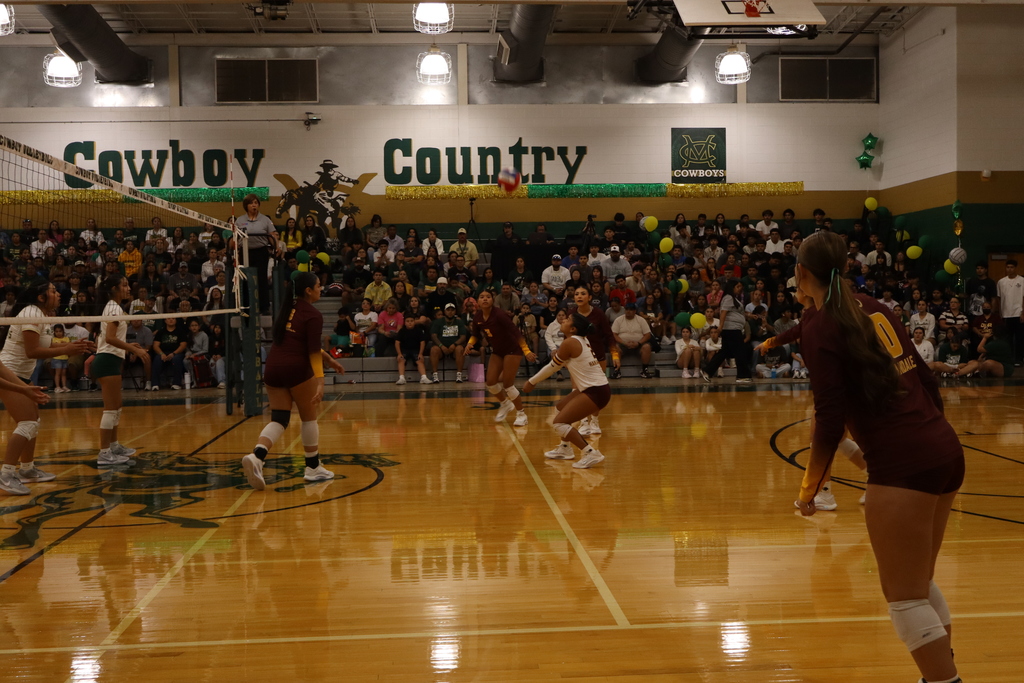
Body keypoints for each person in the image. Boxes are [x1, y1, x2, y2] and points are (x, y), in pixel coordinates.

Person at [792, 231, 964, 683]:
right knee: (919, 585)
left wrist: (809, 488)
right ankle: (942, 673)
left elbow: (828, 419)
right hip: (942, 447)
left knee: (905, 598)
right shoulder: (877, 307)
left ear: (802, 273)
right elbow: (925, 380)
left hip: (903, 463)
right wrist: (932, 433)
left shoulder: (819, 324)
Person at [241, 272, 346, 491]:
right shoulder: (313, 314)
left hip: (273, 368)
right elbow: (311, 352)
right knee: (309, 418)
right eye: (318, 285)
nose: (321, 288)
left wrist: (329, 358)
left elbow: (301, 344)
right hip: (296, 369)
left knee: (279, 418)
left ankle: (257, 457)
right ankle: (313, 467)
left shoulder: (288, 307)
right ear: (308, 290)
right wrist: (321, 381)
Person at [0, 280, 95, 492]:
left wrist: (70, 346)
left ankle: (27, 469)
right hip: (9, 373)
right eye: (53, 291)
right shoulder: (31, 314)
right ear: (41, 297)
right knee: (27, 423)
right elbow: (32, 351)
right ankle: (6, 474)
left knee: (34, 421)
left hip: (21, 374)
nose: (58, 294)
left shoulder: (42, 315)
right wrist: (66, 349)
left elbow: (47, 344)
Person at [522, 313, 610, 469]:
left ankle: (590, 452)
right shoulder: (579, 339)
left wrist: (531, 381)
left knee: (559, 423)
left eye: (568, 320)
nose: (563, 320)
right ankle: (565, 449)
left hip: (596, 391)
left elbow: (552, 367)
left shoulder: (570, 342)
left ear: (573, 328)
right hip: (595, 388)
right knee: (560, 409)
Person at [93, 275, 148, 465]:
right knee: (110, 410)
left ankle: (114, 445)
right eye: (124, 285)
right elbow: (109, 338)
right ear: (114, 289)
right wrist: (132, 349)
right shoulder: (113, 308)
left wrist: (127, 344)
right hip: (107, 360)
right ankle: (104, 452)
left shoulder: (113, 307)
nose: (128, 289)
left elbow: (111, 338)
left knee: (116, 407)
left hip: (111, 359)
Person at [465, 289, 536, 427]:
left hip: (512, 349)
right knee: (490, 382)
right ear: (477, 302)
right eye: (481, 297)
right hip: (497, 351)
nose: (485, 299)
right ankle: (505, 403)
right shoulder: (478, 317)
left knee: (507, 384)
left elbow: (516, 332)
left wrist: (526, 351)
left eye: (488, 297)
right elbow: (475, 335)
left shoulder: (499, 315)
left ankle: (521, 414)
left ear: (493, 300)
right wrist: (470, 344)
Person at [569, 287, 617, 435]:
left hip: (597, 357)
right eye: (577, 294)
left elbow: (609, 336)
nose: (579, 296)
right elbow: (568, 337)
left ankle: (594, 421)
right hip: (577, 359)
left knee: (596, 391)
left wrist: (615, 355)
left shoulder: (599, 314)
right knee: (578, 391)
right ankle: (583, 421)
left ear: (589, 297)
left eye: (583, 293)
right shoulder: (572, 314)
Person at [234, 194, 280, 315]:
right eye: (251, 203)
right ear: (246, 206)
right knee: (245, 280)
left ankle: (264, 307)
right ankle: (246, 307)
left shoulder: (265, 219)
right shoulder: (240, 220)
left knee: (261, 279)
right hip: (245, 252)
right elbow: (234, 237)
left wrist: (277, 246)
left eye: (256, 202)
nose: (254, 205)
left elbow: (272, 235)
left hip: (261, 252)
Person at [700, 280, 752, 383]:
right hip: (731, 329)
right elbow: (723, 312)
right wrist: (720, 327)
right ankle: (742, 376)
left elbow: (735, 312)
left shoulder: (733, 298)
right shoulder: (728, 297)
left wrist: (749, 315)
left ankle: (707, 370)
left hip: (733, 329)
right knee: (740, 352)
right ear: (732, 287)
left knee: (724, 352)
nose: (740, 288)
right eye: (738, 286)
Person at [611, 303, 653, 379]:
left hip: (638, 344)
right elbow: (614, 334)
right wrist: (623, 342)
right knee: (614, 347)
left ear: (634, 311)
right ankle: (616, 370)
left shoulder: (641, 320)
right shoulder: (618, 320)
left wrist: (638, 343)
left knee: (647, 347)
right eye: (627, 309)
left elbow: (647, 334)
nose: (628, 311)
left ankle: (644, 370)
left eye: (631, 310)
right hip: (622, 344)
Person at [429, 303, 468, 383]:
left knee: (460, 349)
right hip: (441, 347)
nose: (450, 312)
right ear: (444, 311)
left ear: (455, 311)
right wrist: (441, 346)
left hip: (454, 346)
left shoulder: (459, 322)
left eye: (452, 310)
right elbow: (433, 335)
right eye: (448, 310)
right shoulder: (438, 322)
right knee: (434, 350)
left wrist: (455, 344)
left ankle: (459, 375)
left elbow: (463, 336)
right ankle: (435, 375)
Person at [996, 259, 1023, 365]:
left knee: (1020, 338)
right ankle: (1009, 359)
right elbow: (999, 298)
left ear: (1016, 268)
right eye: (1008, 267)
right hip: (1006, 314)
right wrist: (1000, 313)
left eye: (1012, 267)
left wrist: (1023, 313)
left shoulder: (1022, 280)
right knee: (1008, 339)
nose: (1009, 269)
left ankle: (1019, 359)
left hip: (1018, 313)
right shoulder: (1001, 282)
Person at [395, 315, 430, 385]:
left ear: (414, 322)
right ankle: (401, 378)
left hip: (416, 350)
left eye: (411, 321)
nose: (410, 323)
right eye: (407, 321)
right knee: (401, 359)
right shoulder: (402, 331)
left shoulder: (419, 330)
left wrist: (420, 353)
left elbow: (422, 342)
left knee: (419, 360)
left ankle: (424, 377)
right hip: (404, 350)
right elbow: (397, 342)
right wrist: (399, 353)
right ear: (405, 323)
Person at [50, 323, 72, 393]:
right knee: (58, 373)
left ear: (63, 331)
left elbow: (68, 348)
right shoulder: (53, 340)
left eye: (60, 331)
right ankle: (57, 386)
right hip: (57, 358)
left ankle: (64, 386)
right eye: (56, 331)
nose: (58, 333)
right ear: (54, 332)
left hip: (64, 358)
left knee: (64, 373)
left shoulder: (67, 339)